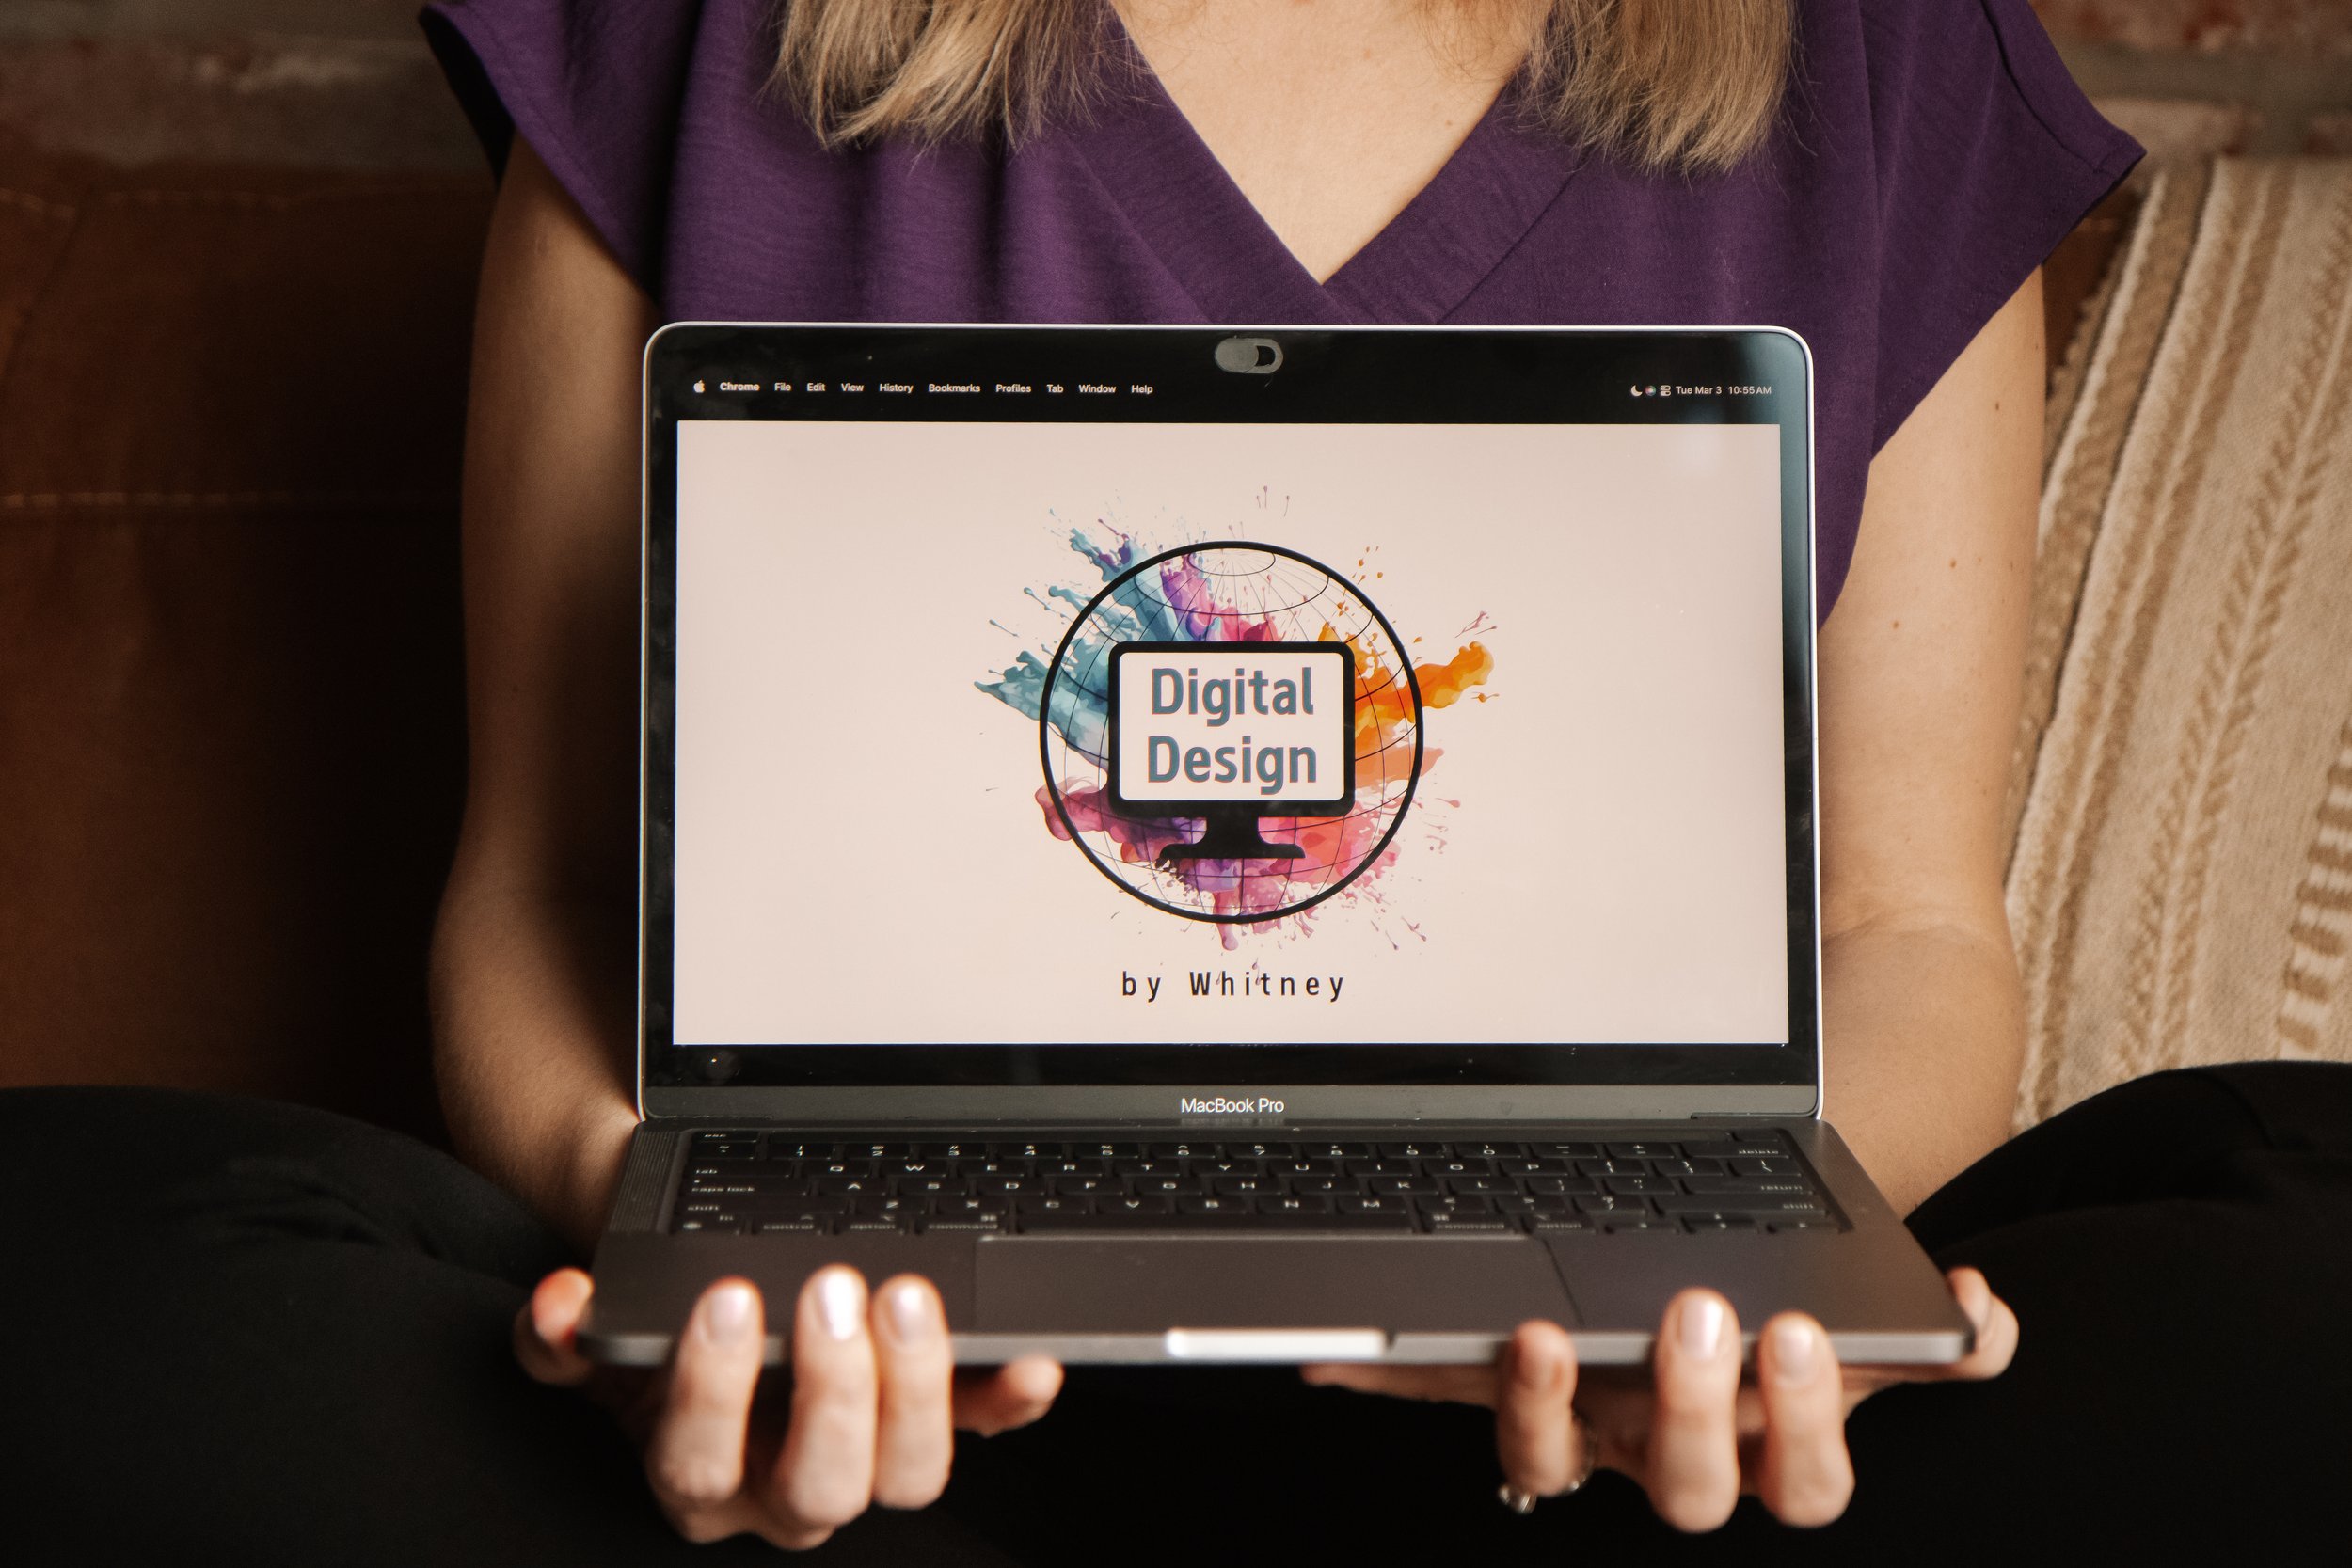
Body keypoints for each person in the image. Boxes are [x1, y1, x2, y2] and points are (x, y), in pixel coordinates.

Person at [3, 1, 2346, 1562]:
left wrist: (1722, 1296)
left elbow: (1909, 939)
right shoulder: (718, 30)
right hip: (877, 1432)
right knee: (107, 1282)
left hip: (1591, 1451)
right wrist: (687, 1252)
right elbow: (530, 892)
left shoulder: (1874, 53)